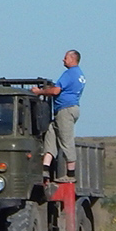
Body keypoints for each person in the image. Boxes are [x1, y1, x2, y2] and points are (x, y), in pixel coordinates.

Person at [31, 50, 86, 182]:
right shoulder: (79, 74)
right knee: (51, 133)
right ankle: (45, 169)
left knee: (66, 140)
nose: (63, 60)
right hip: (67, 110)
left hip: (65, 110)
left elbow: (56, 91)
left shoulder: (69, 74)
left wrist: (40, 92)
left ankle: (71, 175)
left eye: (65, 57)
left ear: (73, 59)